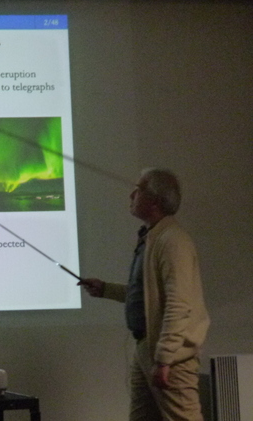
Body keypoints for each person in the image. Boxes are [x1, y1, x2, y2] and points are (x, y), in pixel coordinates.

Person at [79, 168, 210, 421]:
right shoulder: (153, 237)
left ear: (155, 201)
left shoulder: (172, 241)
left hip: (170, 357)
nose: (131, 195)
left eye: (138, 190)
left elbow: (178, 304)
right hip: (147, 349)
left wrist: (164, 359)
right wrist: (105, 289)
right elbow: (147, 295)